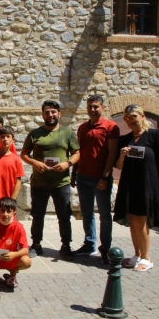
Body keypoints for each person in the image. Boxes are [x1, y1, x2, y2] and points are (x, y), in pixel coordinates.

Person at [114, 104, 159, 272]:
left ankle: (147, 258)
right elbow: (118, 166)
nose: (131, 121)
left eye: (134, 117)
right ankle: (137, 254)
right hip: (129, 184)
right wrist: (122, 155)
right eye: (127, 119)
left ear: (142, 116)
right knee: (133, 221)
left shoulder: (155, 136)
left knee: (141, 221)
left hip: (148, 184)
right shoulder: (126, 139)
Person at [21, 100, 80, 261]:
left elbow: (77, 153)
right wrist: (35, 162)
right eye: (47, 112)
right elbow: (24, 154)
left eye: (53, 112)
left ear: (59, 114)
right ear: (43, 115)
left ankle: (66, 245)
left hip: (61, 183)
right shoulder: (35, 133)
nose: (50, 115)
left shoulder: (67, 133)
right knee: (37, 215)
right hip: (39, 183)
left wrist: (67, 163)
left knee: (64, 216)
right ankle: (36, 245)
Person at [71, 95, 120, 263]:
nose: (92, 109)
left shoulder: (111, 127)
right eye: (90, 106)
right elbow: (79, 152)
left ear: (103, 108)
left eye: (96, 107)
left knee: (105, 215)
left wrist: (105, 177)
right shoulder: (82, 127)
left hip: (101, 178)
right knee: (86, 213)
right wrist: (74, 173)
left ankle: (105, 249)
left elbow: (112, 153)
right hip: (83, 176)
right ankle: (89, 243)